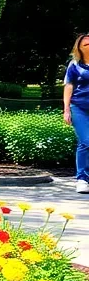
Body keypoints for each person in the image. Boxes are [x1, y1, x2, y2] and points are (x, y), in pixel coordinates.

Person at [63, 33, 89, 192]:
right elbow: (68, 86)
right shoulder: (75, 65)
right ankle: (82, 179)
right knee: (86, 141)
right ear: (79, 48)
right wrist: (66, 109)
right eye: (86, 44)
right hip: (79, 107)